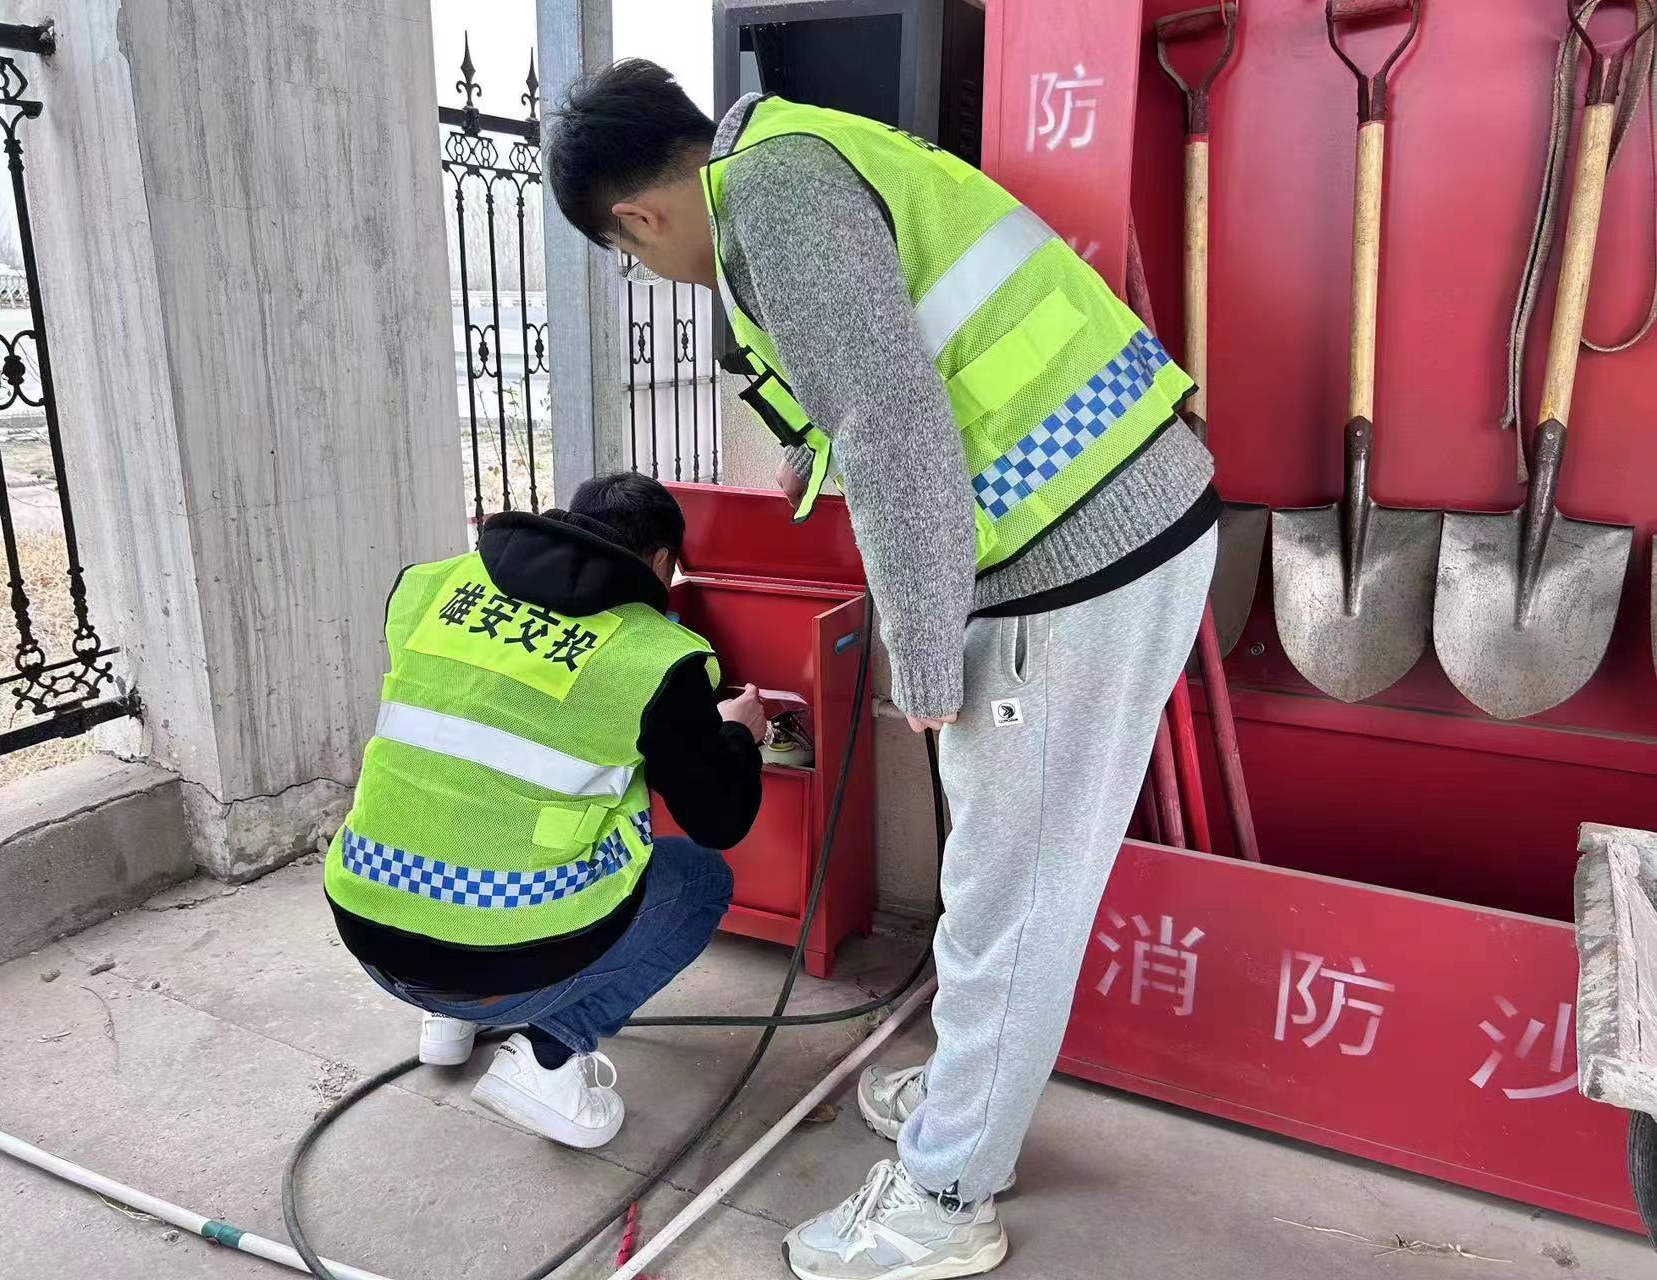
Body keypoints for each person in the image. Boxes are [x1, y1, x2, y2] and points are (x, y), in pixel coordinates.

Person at [545, 62, 1220, 1278]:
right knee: (1001, 882)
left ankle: (948, 1191)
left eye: (630, 255)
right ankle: (971, 1098)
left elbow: (893, 420)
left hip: (1078, 555)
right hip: (1105, 522)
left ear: (637, 217)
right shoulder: (797, 151)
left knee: (1011, 898)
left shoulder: (776, 201)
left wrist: (920, 655)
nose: (649, 270)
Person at [324, 472, 766, 1150]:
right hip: (495, 970)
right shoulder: (654, 655)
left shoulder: (428, 585)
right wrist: (737, 732)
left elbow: (479, 728)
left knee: (463, 806)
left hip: (370, 930)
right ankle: (550, 1057)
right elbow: (720, 819)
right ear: (658, 562)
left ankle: (450, 1028)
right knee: (700, 880)